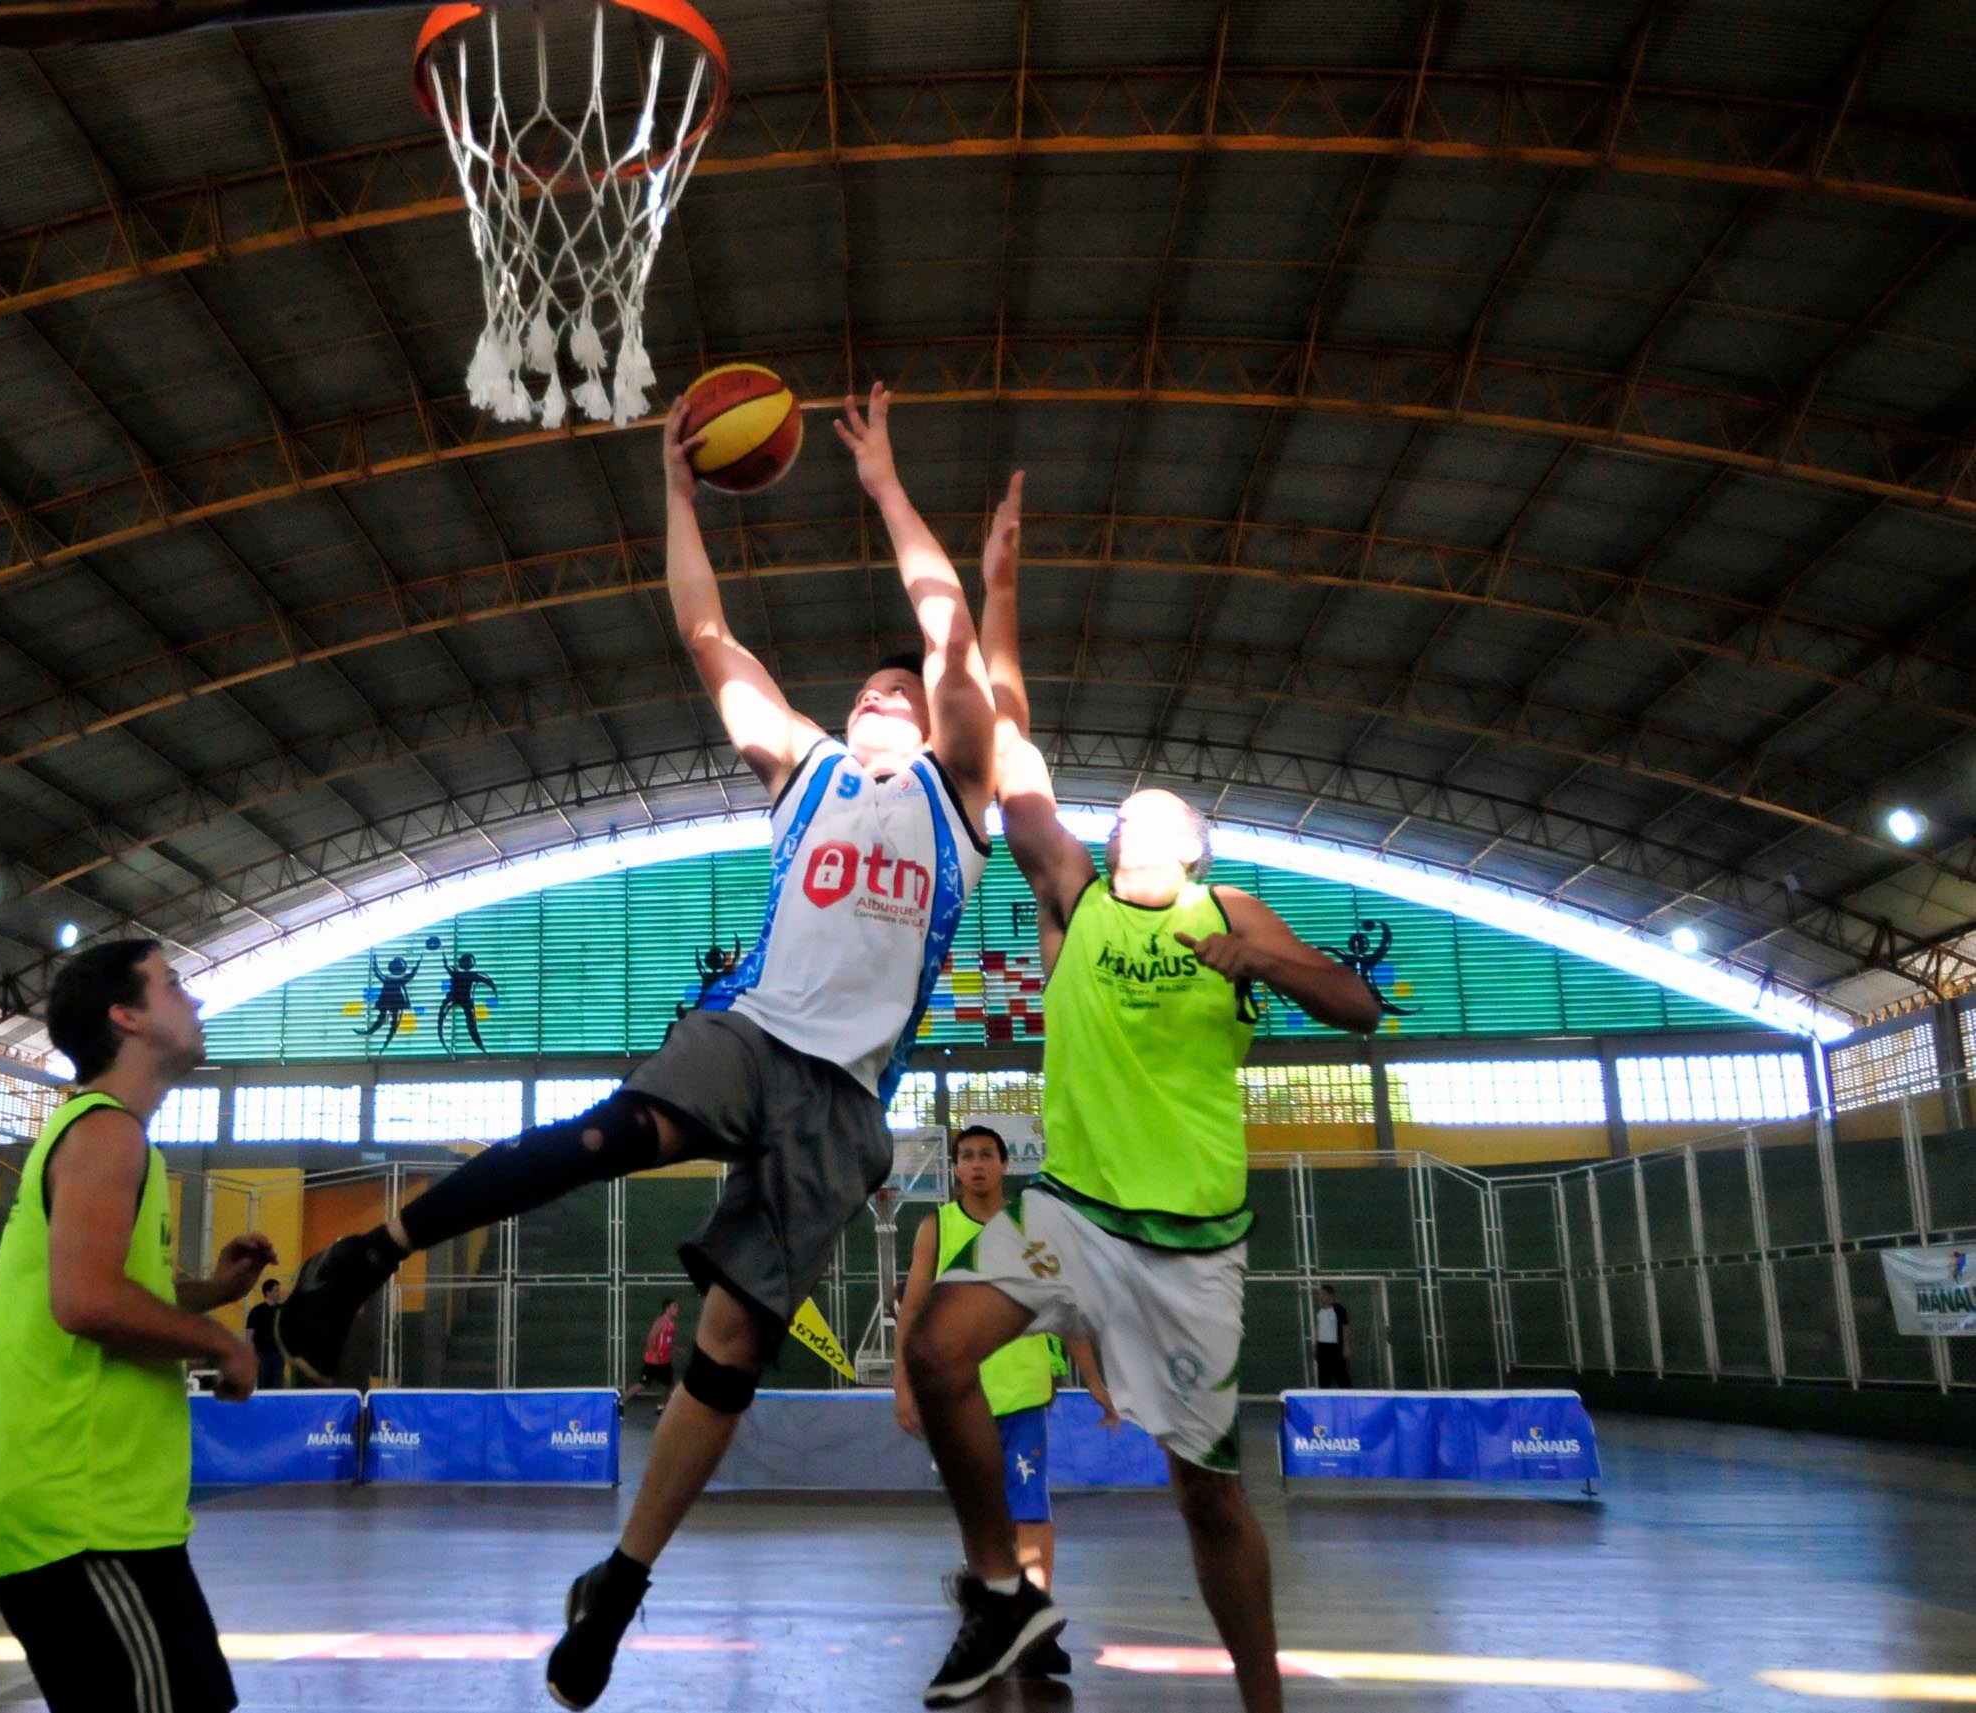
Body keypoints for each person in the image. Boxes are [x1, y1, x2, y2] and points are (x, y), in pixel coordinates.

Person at [277, 381, 998, 1711]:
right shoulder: (808, 770)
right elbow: (704, 627)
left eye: (903, 686)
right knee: (600, 1137)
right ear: (848, 719)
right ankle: (362, 1257)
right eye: (872, 688)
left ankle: (617, 1582)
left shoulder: (958, 801)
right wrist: (675, 489)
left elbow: (948, 632)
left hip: (842, 1105)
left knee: (729, 1344)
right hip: (750, 1032)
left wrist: (886, 485)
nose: (891, 690)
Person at [902, 475, 1383, 1710]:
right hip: (1071, 1216)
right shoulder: (1076, 898)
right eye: (1128, 814)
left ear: (1199, 846)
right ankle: (1001, 1593)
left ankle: (1262, 1698)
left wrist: (1267, 961)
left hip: (1189, 1249)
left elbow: (1357, 1006)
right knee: (936, 1355)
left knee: (1205, 1491)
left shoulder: (1234, 913)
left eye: (1164, 815)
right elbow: (1010, 755)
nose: (1139, 818)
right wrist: (1001, 591)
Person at [0, 937, 273, 1713]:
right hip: (79, 1511)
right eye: (173, 986)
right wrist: (223, 1342)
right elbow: (87, 1301)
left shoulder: (109, 1135)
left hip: (94, 1510)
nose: (194, 1001)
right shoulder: (106, 1131)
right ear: (125, 1015)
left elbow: (111, 1289)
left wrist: (207, 1294)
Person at [894, 1123, 1116, 1677]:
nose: (975, 1164)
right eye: (965, 1156)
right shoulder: (937, 1228)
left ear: (1003, 1165)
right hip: (959, 1400)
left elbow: (1065, 1308)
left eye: (985, 1155)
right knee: (983, 1517)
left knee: (1032, 1511)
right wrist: (904, 1387)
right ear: (955, 1169)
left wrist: (1093, 1378)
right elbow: (914, 1313)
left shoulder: (1030, 1229)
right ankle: (997, 1620)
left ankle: (1035, 1628)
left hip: (1023, 1395)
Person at [619, 1297, 678, 1413]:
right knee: (643, 1384)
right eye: (674, 1307)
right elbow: (650, 1337)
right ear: (667, 1309)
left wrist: (676, 1349)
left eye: (677, 1307)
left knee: (669, 1385)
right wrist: (653, 1354)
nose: (677, 1309)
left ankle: (660, 1407)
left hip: (665, 1361)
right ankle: (620, 1402)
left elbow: (667, 1341)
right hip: (653, 1361)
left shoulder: (671, 1324)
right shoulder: (661, 1322)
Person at [1313, 1284, 1353, 1388]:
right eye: (1319, 1294)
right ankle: (1325, 1399)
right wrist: (1316, 1346)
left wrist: (1346, 1346)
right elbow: (1318, 1328)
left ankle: (1348, 1398)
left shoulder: (1339, 1309)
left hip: (1336, 1348)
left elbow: (1345, 1327)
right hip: (1323, 1348)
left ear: (1331, 1295)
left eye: (1323, 1294)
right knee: (1323, 1377)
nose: (1320, 1297)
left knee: (1341, 1376)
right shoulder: (1320, 1311)